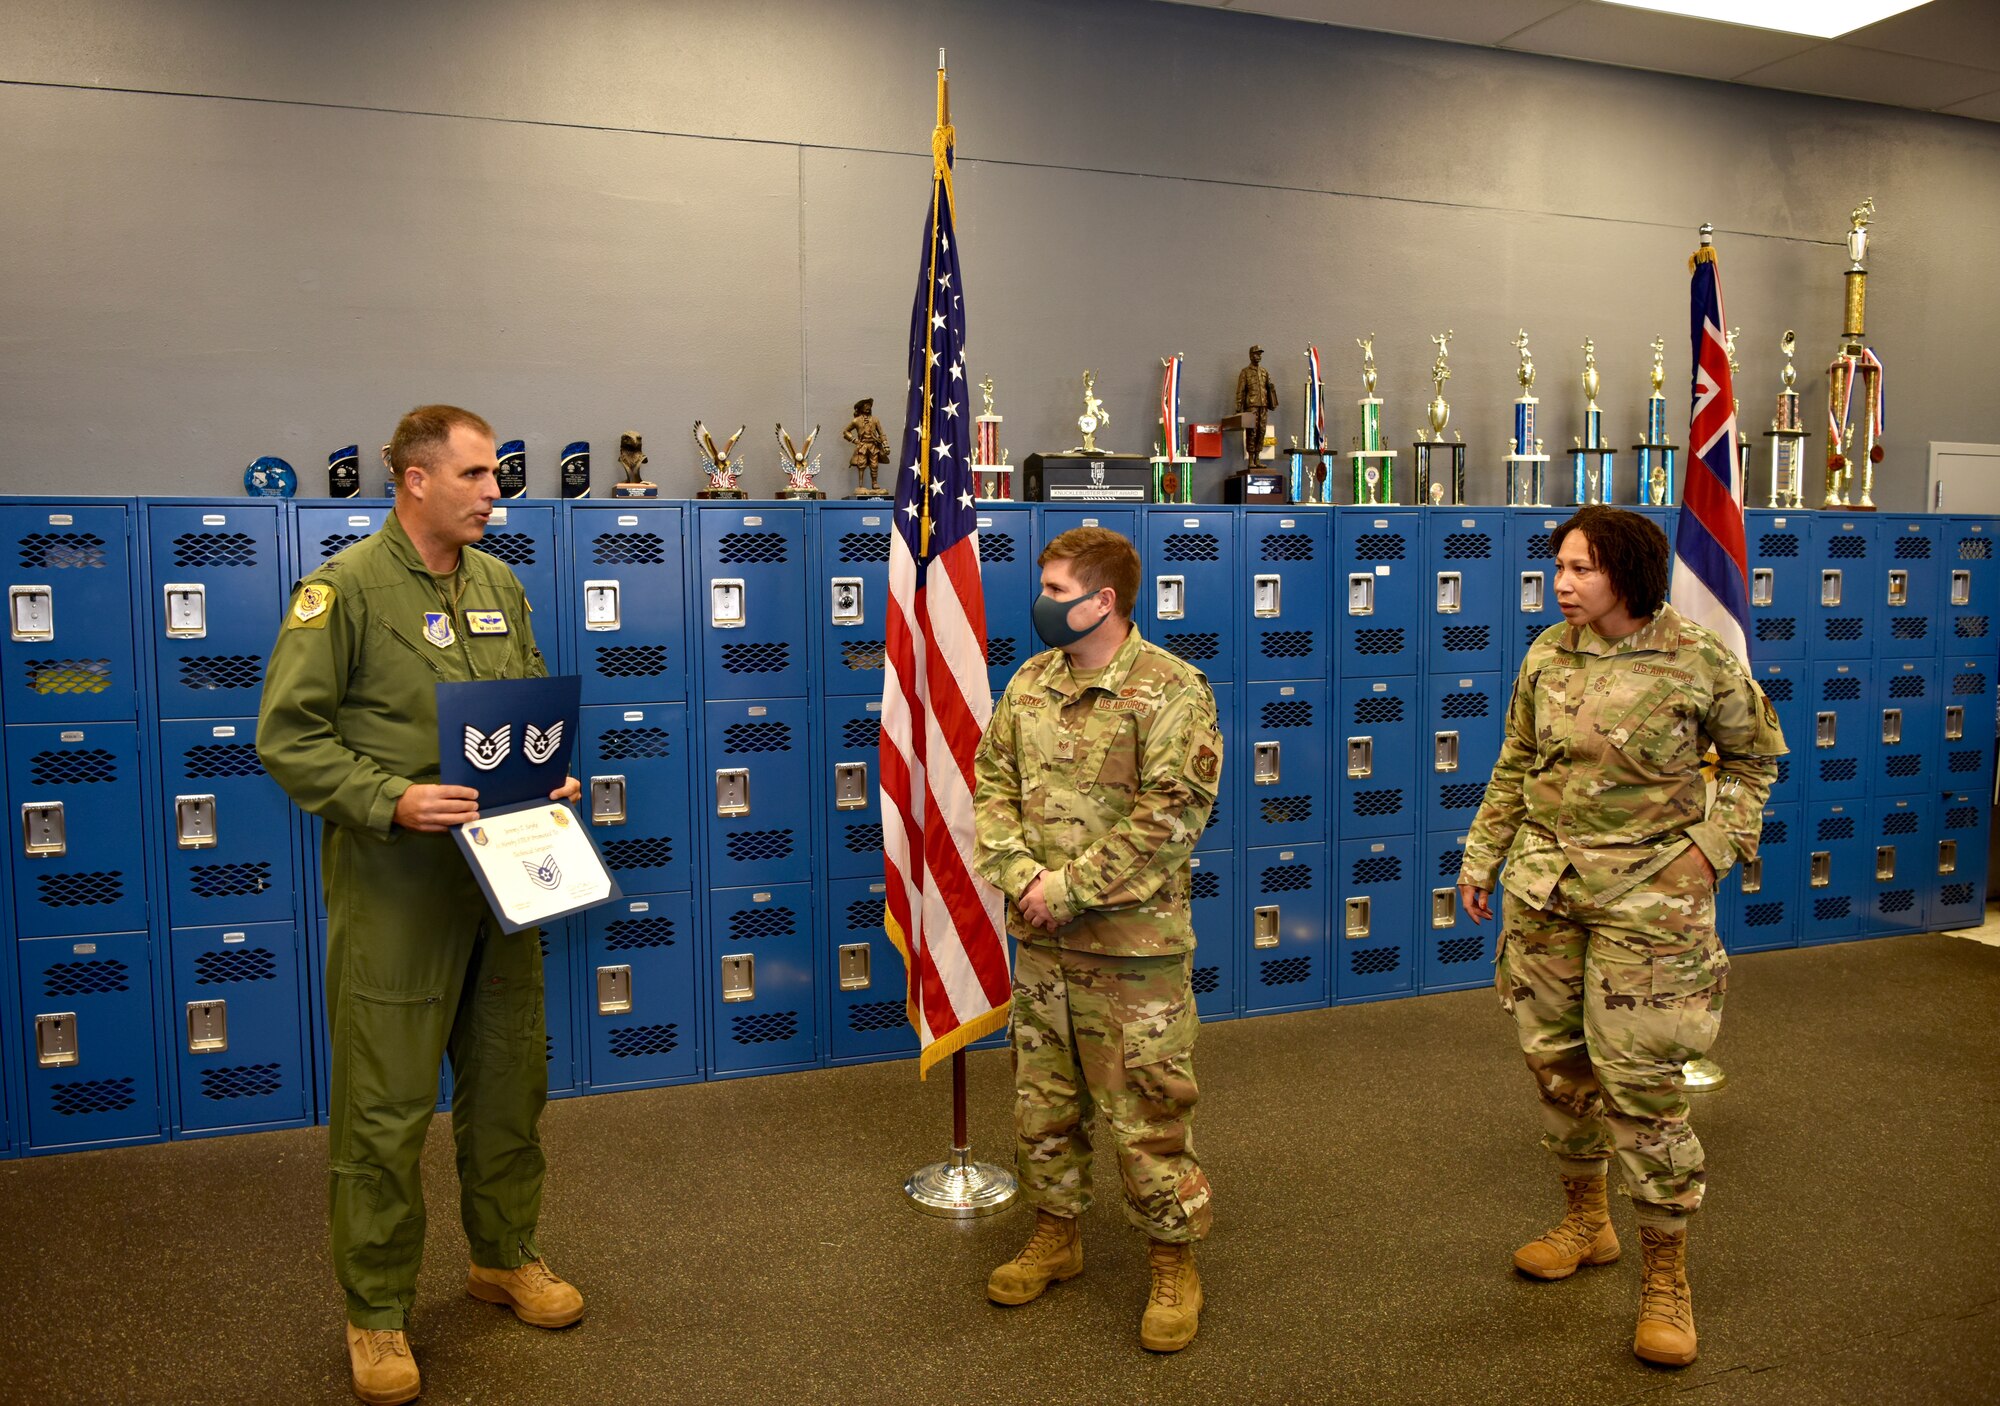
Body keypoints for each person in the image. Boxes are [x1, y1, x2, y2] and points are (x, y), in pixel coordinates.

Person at [257, 405, 585, 1406]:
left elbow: (518, 713)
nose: (495, 492)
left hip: (503, 879)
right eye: (478, 474)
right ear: (414, 478)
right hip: (397, 887)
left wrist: (548, 777)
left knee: (506, 1086)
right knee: (385, 1108)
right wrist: (389, 798)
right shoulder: (343, 591)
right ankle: (375, 1306)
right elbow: (288, 736)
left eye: (496, 477)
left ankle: (502, 1256)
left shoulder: (499, 583)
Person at [1456, 505, 1785, 1368]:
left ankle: (1666, 1275)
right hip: (1547, 891)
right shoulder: (1546, 654)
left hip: (1651, 904)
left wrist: (1713, 852)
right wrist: (1482, 857)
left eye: (1579, 569)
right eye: (1557, 567)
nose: (1561, 584)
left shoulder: (1698, 657)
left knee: (1641, 1085)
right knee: (1557, 1067)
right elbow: (1517, 760)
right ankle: (1585, 1222)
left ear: (1627, 574)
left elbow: (1755, 762)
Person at [971, 526, 1224, 1353]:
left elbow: (1169, 819)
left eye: (1053, 588)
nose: (1040, 602)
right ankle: (1058, 1234)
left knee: (1146, 1110)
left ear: (1101, 600)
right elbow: (993, 785)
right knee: (1043, 1103)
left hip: (1131, 950)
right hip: (1042, 945)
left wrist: (1067, 889)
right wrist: (1019, 878)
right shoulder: (1030, 682)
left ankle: (1172, 1258)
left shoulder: (1172, 692)